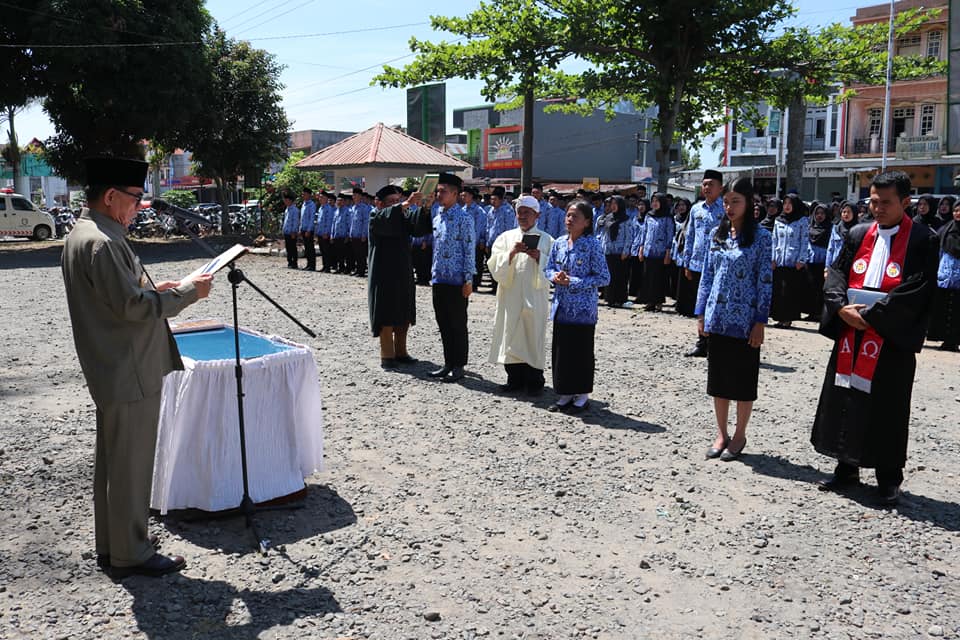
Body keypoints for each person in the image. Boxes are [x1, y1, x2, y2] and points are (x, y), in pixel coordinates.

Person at [62, 157, 213, 578]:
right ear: (110, 197)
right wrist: (186, 293)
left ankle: (115, 545)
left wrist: (153, 287)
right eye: (134, 198)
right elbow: (131, 307)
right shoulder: (105, 242)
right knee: (130, 464)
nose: (138, 206)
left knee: (115, 463)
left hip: (112, 365)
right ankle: (132, 553)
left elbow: (116, 295)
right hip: (128, 367)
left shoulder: (87, 234)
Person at [811, 171, 939, 506]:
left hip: (891, 338)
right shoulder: (857, 233)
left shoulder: (923, 239)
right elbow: (836, 272)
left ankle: (888, 478)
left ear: (906, 202)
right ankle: (846, 466)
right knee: (847, 396)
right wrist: (840, 309)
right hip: (851, 335)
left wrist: (869, 317)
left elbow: (917, 288)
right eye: (873, 201)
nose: (877, 208)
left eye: (886, 202)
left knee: (888, 407)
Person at [695, 177, 773, 461]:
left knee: (742, 380)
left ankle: (739, 435)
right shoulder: (718, 235)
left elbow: (765, 280)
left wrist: (760, 321)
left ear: (749, 202)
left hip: (745, 322)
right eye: (726, 201)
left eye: (735, 201)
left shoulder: (762, 237)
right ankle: (721, 433)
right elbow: (707, 276)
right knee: (718, 380)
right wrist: (701, 313)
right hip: (717, 317)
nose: (729, 207)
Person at [544, 200, 610, 413]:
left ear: (587, 222)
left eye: (575, 216)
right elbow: (548, 268)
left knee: (580, 352)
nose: (569, 220)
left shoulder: (593, 244)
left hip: (582, 310)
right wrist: (555, 276)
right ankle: (564, 394)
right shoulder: (560, 242)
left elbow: (603, 277)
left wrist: (573, 281)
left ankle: (581, 396)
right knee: (562, 351)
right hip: (562, 306)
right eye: (568, 215)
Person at [487, 195, 554, 395]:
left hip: (535, 296)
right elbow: (494, 264)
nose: (523, 216)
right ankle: (514, 379)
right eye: (520, 212)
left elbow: (555, 267)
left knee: (533, 334)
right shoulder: (506, 237)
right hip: (511, 296)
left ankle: (534, 381)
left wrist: (540, 257)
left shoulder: (547, 239)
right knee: (511, 333)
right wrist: (511, 254)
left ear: (537, 215)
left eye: (527, 212)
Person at [367, 185, 432, 368]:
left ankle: (401, 351)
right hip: (383, 273)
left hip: (403, 270)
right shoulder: (375, 216)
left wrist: (424, 207)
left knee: (403, 311)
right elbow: (386, 218)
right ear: (379, 203)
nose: (398, 204)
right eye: (392, 202)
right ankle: (387, 355)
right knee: (386, 313)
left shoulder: (402, 217)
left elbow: (418, 227)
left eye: (398, 200)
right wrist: (406, 204)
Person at [429, 173, 476, 383]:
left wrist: (468, 280)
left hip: (457, 281)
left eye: (443, 191)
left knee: (458, 323)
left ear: (456, 194)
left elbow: (469, 249)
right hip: (439, 279)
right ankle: (448, 362)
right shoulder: (437, 217)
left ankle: (459, 365)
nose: (439, 194)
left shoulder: (464, 217)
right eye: (438, 191)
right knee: (443, 323)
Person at [682, 169, 725, 356]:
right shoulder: (696, 209)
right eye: (704, 184)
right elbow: (689, 235)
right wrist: (686, 261)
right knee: (700, 304)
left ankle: (716, 343)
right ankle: (701, 343)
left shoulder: (726, 209)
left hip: (718, 265)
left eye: (711, 184)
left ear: (720, 188)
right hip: (698, 263)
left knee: (716, 304)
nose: (706, 188)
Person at [770, 194, 810, 328]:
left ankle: (787, 319)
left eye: (790, 203)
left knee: (790, 292)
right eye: (785, 203)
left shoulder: (802, 221)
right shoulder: (778, 220)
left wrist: (802, 259)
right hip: (779, 262)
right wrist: (772, 258)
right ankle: (780, 317)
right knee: (779, 291)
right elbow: (774, 240)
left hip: (794, 264)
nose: (787, 206)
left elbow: (804, 241)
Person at [927, 200, 960, 351]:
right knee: (944, 310)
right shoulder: (946, 229)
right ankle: (947, 341)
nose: (957, 213)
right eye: (955, 210)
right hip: (946, 277)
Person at [596, 195, 634, 308]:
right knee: (609, 276)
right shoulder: (607, 218)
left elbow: (629, 236)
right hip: (608, 251)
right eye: (611, 204)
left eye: (615, 204)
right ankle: (610, 298)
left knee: (620, 276)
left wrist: (626, 250)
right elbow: (603, 235)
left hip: (620, 251)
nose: (612, 206)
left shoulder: (626, 219)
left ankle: (620, 299)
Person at [640, 193, 675, 312]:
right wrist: (641, 248)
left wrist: (668, 253)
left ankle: (659, 301)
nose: (654, 203)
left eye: (657, 201)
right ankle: (649, 301)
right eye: (653, 201)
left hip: (661, 252)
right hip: (648, 251)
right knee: (648, 277)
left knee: (659, 278)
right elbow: (644, 233)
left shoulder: (667, 217)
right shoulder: (648, 216)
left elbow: (670, 235)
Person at [487, 186, 517, 294]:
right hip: (492, 242)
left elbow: (510, 228)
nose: (492, 202)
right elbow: (488, 226)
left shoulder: (507, 210)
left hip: (503, 244)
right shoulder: (491, 211)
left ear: (501, 199)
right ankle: (494, 285)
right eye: (491, 199)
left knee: (502, 265)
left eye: (495, 199)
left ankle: (499, 287)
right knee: (492, 264)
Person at [805, 202, 831, 321]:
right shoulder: (810, 227)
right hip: (810, 261)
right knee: (810, 288)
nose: (819, 216)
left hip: (823, 262)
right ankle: (811, 312)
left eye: (822, 213)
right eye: (817, 213)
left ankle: (819, 313)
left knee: (821, 289)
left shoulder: (830, 228)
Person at [349, 187, 371, 277]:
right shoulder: (353, 208)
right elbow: (352, 222)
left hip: (360, 235)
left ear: (360, 196)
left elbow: (366, 222)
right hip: (354, 234)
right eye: (353, 195)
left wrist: (364, 234)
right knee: (356, 253)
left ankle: (361, 271)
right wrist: (350, 233)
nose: (354, 197)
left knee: (361, 254)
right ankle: (357, 270)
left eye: (356, 195)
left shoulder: (364, 208)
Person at [316, 191, 336, 272]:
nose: (320, 199)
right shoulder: (321, 208)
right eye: (320, 197)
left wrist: (326, 232)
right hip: (320, 232)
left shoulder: (329, 209)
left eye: (322, 198)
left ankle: (328, 267)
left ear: (326, 199)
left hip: (325, 233)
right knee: (322, 251)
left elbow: (329, 222)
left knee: (327, 251)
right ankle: (324, 266)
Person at [299, 187, 317, 271]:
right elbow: (302, 218)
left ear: (309, 195)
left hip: (308, 230)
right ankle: (308, 264)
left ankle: (312, 265)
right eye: (302, 194)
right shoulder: (303, 204)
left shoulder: (311, 205)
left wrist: (309, 230)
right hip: (303, 229)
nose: (303, 196)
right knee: (306, 248)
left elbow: (311, 218)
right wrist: (300, 228)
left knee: (310, 248)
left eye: (304, 194)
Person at [281, 190, 300, 269]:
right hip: (287, 231)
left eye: (286, 200)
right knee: (288, 248)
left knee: (293, 248)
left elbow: (295, 221)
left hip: (292, 232)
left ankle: (294, 262)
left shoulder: (294, 210)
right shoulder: (287, 209)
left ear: (290, 200)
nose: (285, 202)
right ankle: (289, 262)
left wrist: (294, 231)